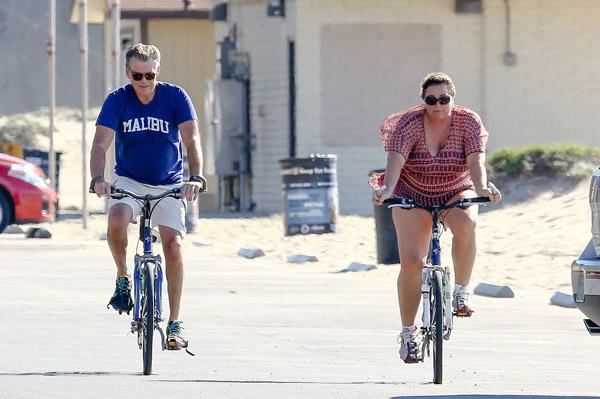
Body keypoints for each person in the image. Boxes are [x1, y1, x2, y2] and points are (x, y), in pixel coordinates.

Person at [371, 72, 502, 364]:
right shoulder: (407, 124)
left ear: (453, 97)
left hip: (456, 190)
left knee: (467, 224)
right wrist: (386, 190)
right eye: (431, 100)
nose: (438, 104)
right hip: (412, 191)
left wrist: (482, 189)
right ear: (424, 101)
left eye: (444, 99)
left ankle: (461, 291)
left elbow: (475, 160)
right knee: (413, 261)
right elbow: (395, 161)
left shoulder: (468, 122)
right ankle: (408, 333)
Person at [89, 43, 206, 351]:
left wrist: (194, 178)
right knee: (116, 220)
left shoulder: (176, 97)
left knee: (173, 245)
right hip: (129, 179)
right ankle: (124, 277)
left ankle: (175, 322)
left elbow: (191, 140)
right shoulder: (117, 100)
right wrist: (99, 178)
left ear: (158, 72)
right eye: (137, 76)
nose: (143, 83)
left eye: (149, 75)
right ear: (128, 73)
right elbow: (100, 144)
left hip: (167, 182)